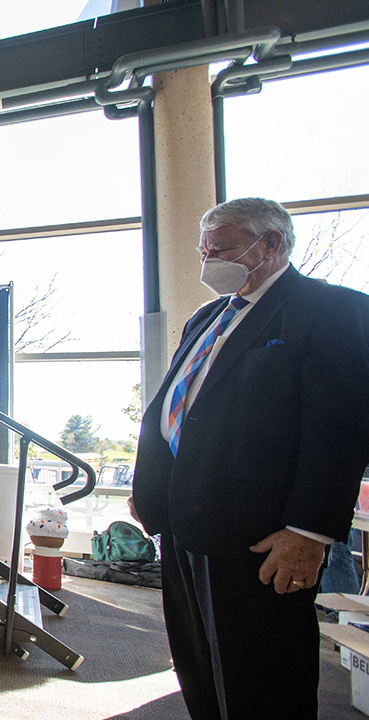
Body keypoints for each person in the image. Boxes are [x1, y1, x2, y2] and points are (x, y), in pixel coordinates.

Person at [131, 197, 369, 719]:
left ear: (272, 243)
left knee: (261, 677)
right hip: (185, 521)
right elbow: (182, 405)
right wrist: (150, 483)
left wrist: (309, 532)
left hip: (261, 535)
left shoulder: (329, 311)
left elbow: (340, 432)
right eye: (203, 249)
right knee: (199, 666)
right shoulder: (208, 316)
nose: (208, 259)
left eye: (223, 248)